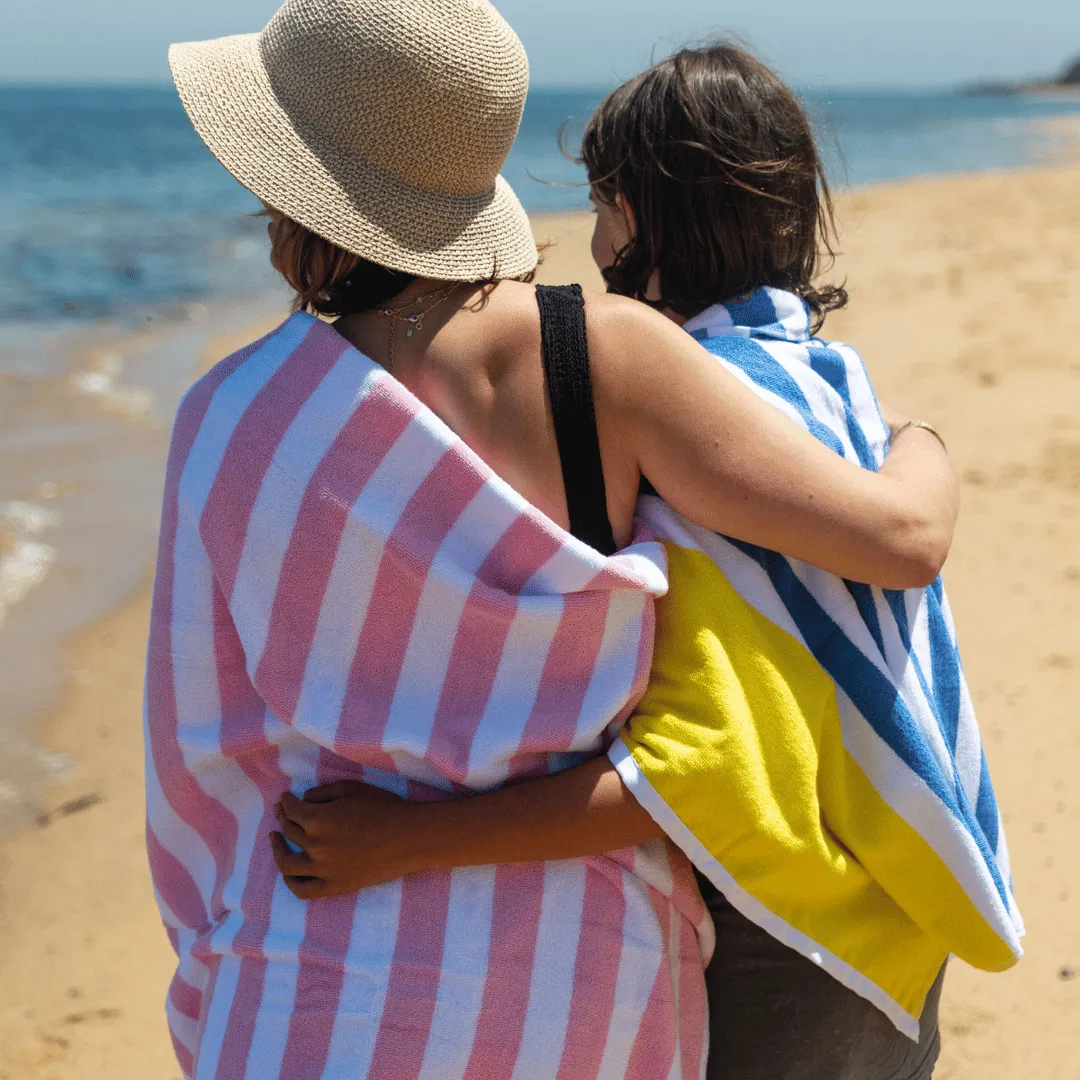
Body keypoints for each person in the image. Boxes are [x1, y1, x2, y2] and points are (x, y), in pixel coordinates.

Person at [147, 4, 961, 1077]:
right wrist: (924, 439)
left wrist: (212, 975)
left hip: (312, 981)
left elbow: (199, 766)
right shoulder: (610, 360)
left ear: (298, 190)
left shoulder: (231, 414)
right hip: (584, 991)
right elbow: (898, 539)